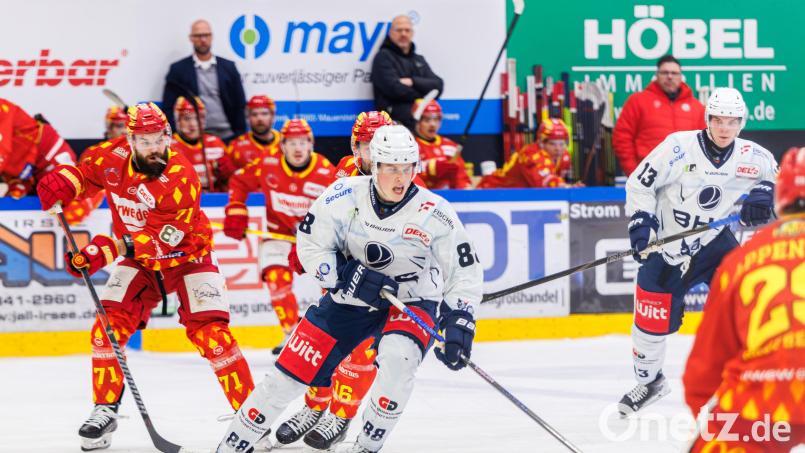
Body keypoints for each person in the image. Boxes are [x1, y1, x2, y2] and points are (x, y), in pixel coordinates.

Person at [216, 125, 483, 453]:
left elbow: (464, 271)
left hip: (410, 300)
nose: (400, 178)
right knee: (286, 375)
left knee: (399, 360)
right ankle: (233, 444)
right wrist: (342, 274)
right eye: (391, 168)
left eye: (407, 168)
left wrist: (460, 320)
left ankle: (367, 445)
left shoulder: (435, 211)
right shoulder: (343, 193)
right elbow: (311, 243)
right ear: (375, 165)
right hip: (348, 300)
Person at [35, 103, 255, 451]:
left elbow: (158, 238)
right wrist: (65, 181)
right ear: (131, 140)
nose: (154, 148)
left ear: (168, 136)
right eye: (145, 140)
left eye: (159, 139)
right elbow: (85, 174)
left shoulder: (182, 176)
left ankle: (251, 417)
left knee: (214, 336)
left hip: (188, 257)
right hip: (139, 262)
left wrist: (99, 251)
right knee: (106, 328)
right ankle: (104, 410)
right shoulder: (109, 156)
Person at [617, 87, 778, 417]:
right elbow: (639, 183)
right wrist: (639, 223)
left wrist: (764, 195)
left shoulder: (754, 156)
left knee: (748, 303)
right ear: (707, 120)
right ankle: (650, 382)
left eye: (731, 122)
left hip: (713, 243)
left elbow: (780, 178)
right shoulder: (678, 147)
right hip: (666, 247)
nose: (724, 128)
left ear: (741, 123)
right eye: (718, 120)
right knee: (649, 323)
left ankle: (758, 379)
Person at [271, 110, 406, 452]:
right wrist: (307, 246)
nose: (371, 155)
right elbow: (327, 216)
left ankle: (342, 415)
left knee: (360, 351)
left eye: (378, 146)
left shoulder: (402, 181)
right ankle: (315, 406)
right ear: (354, 146)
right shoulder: (345, 170)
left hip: (378, 283)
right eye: (364, 145)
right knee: (322, 342)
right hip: (342, 275)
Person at [682, 146, 805, 452]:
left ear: (782, 196)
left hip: (763, 399)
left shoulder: (741, 260)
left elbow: (703, 368)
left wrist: (709, 415)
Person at [224, 118, 335, 356]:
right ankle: (292, 334)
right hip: (279, 235)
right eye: (291, 142)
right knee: (276, 280)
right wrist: (236, 209)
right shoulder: (268, 163)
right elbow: (239, 181)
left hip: (316, 240)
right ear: (282, 145)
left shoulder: (326, 172)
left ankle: (330, 335)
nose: (297, 148)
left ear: (311, 144)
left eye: (303, 142)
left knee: (331, 288)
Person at [0, 98, 92, 223]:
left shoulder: (2, 108)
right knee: (10, 207)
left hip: (48, 156)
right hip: (25, 173)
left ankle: (95, 186)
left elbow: (2, 151)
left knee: (72, 211)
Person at [613, 55, 706, 176]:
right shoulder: (637, 101)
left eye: (674, 73)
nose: (670, 76)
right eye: (664, 72)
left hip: (685, 178)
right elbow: (622, 138)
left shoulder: (696, 107)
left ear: (681, 77)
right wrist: (634, 173)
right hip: (647, 175)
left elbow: (704, 143)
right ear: (657, 75)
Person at [162, 19, 247, 140]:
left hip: (227, 135)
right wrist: (176, 137)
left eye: (206, 35)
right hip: (193, 138)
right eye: (198, 36)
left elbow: (240, 103)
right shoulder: (178, 69)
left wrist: (239, 135)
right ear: (191, 38)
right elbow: (169, 107)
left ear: (211, 37)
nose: (203, 40)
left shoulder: (229, 67)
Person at [371, 15, 443, 130]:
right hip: (393, 127)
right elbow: (394, 89)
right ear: (390, 32)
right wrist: (424, 95)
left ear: (412, 33)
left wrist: (412, 81)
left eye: (407, 30)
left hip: (420, 127)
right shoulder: (383, 57)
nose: (403, 34)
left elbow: (438, 85)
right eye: (399, 30)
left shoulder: (419, 59)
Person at [477, 118, 575, 188]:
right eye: (552, 144)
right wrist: (567, 187)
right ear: (541, 142)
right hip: (492, 191)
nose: (558, 149)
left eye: (562, 144)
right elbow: (543, 185)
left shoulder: (565, 156)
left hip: (520, 197)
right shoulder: (530, 154)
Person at [170, 96, 232, 191]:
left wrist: (226, 175)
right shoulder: (169, 146)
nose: (193, 124)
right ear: (178, 120)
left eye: (198, 118)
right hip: (184, 200)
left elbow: (231, 182)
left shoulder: (216, 143)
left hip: (214, 200)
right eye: (187, 119)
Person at [412, 99, 472, 189]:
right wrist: (431, 168)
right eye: (427, 120)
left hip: (450, 199)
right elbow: (408, 176)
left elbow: (462, 177)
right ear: (417, 122)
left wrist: (464, 192)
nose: (432, 124)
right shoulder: (410, 146)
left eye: (436, 119)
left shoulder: (450, 145)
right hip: (421, 198)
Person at [226, 95, 281, 171]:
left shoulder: (285, 142)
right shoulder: (235, 147)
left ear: (273, 116)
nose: (259, 118)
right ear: (248, 118)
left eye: (264, 114)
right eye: (254, 114)